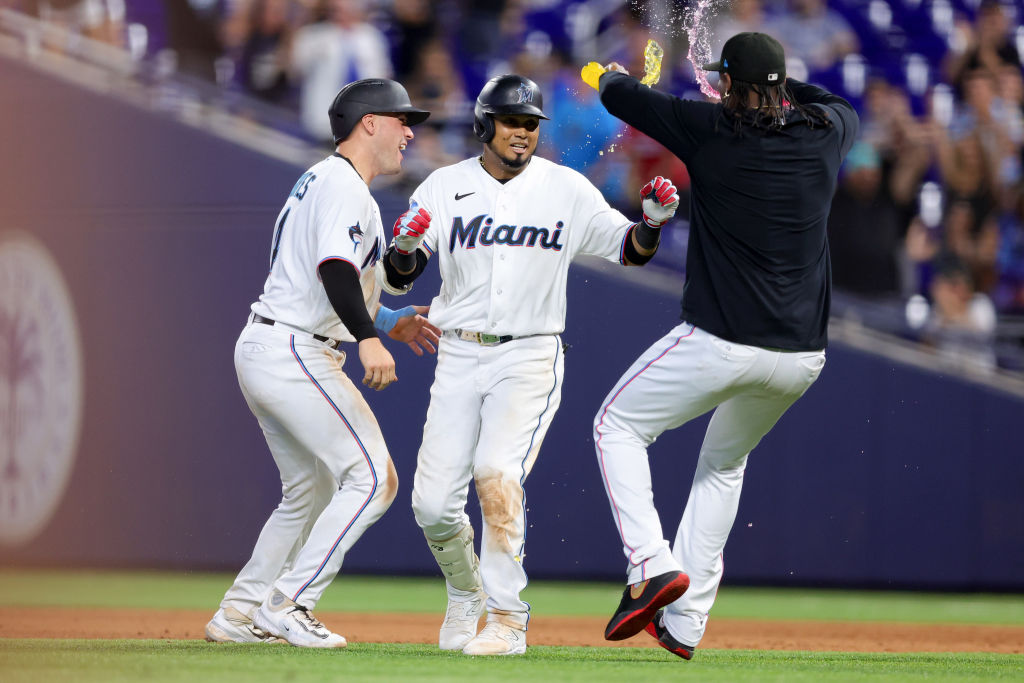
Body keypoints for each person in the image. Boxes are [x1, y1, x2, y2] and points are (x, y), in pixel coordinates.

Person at [380, 74, 682, 656]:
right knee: (432, 504)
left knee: (497, 472)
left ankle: (506, 618)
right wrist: (404, 249)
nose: (522, 132)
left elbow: (628, 249)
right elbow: (398, 276)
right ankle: (467, 592)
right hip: (460, 350)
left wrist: (651, 222)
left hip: (530, 352)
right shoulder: (445, 186)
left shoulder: (564, 188)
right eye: (511, 121)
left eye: (530, 123)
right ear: (483, 124)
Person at [591, 32, 859, 659]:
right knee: (723, 466)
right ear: (782, 85)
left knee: (616, 426)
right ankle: (684, 624)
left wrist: (606, 73)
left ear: (732, 86)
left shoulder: (710, 129)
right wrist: (769, 85)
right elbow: (837, 102)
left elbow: (621, 95)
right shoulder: (827, 133)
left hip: (722, 341)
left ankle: (649, 565)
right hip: (801, 357)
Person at [204, 78, 439, 649]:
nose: (409, 131)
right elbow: (333, 269)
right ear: (368, 123)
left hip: (272, 343)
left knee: (307, 489)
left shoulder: (327, 181)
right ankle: (290, 601)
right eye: (400, 119)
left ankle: (240, 612)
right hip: (295, 350)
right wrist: (368, 338)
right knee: (373, 477)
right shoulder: (344, 186)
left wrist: (386, 322)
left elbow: (323, 277)